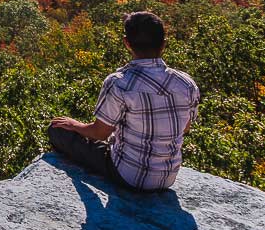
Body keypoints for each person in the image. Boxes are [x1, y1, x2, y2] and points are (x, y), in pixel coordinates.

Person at [47, 11, 200, 191]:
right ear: (164, 44)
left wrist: (74, 125)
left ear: (127, 43)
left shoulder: (120, 82)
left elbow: (99, 133)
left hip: (128, 176)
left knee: (56, 130)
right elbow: (185, 127)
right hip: (168, 178)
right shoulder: (186, 83)